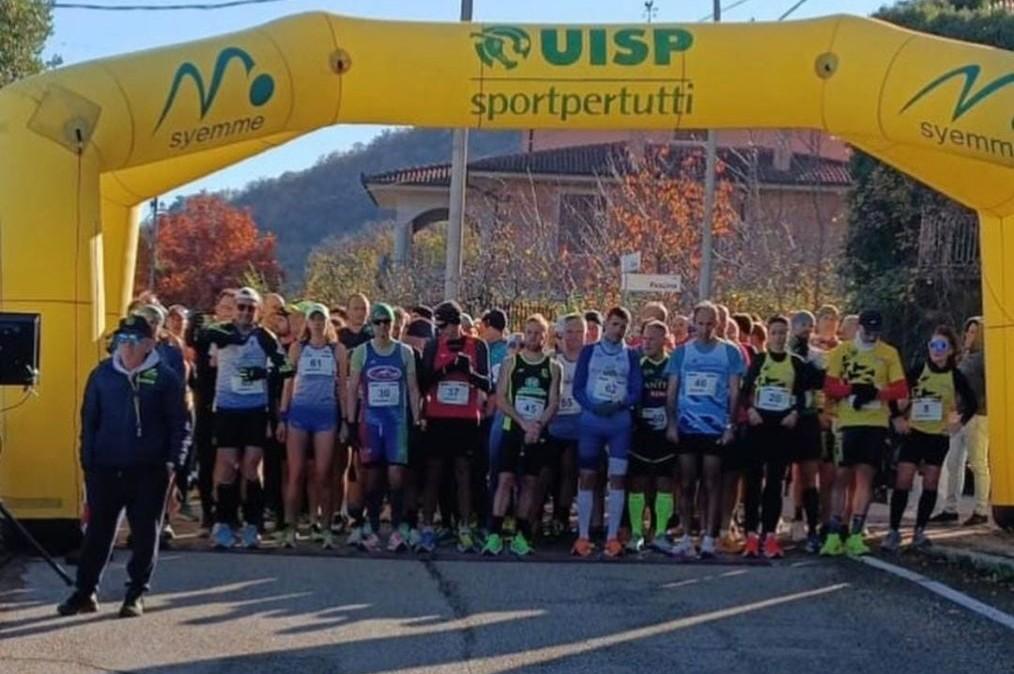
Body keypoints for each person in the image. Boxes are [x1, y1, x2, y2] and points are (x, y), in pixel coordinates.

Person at [58, 316, 187, 618]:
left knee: (144, 534)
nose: (126, 347)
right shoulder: (102, 375)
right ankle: (85, 592)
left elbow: (180, 425)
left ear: (148, 344)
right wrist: (87, 462)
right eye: (121, 341)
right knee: (97, 534)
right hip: (106, 468)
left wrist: (174, 464)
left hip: (149, 470)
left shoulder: (165, 378)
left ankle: (135, 594)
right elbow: (89, 422)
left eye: (132, 341)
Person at [203, 287, 291, 549]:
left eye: (250, 308)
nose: (244, 312)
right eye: (241, 307)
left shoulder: (265, 336)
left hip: (255, 409)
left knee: (252, 465)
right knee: (228, 465)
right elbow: (203, 350)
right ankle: (224, 522)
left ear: (258, 311)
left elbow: (287, 367)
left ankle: (253, 523)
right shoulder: (221, 332)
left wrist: (262, 373)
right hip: (228, 409)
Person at [821, 309, 907, 557]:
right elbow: (830, 386)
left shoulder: (888, 354)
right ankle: (834, 533)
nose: (871, 335)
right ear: (859, 327)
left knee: (865, 478)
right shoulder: (842, 351)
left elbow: (900, 389)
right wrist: (852, 390)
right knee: (841, 476)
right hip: (848, 421)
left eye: (876, 331)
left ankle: (856, 533)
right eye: (867, 330)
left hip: (876, 422)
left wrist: (875, 393)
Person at [884, 326, 976, 552]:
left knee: (931, 482)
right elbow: (895, 394)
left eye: (942, 346)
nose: (937, 350)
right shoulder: (918, 370)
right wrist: (897, 418)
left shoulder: (955, 376)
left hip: (937, 435)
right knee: (903, 480)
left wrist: (959, 423)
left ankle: (919, 531)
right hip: (914, 433)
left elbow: (972, 402)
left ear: (951, 350)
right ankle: (894, 530)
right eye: (933, 345)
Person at [666, 301, 745, 559]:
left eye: (710, 323)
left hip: (715, 428)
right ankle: (687, 536)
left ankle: (710, 537)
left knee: (712, 483)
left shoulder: (729, 352)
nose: (705, 328)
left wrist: (730, 426)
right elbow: (672, 391)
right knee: (687, 483)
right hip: (687, 426)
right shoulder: (682, 353)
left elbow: (735, 392)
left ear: (718, 324)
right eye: (700, 323)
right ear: (693, 323)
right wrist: (672, 424)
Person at [347, 303, 423, 552]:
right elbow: (352, 390)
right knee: (371, 477)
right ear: (372, 325)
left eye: (387, 323)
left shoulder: (404, 353)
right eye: (378, 322)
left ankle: (398, 526)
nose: (382, 327)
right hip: (371, 422)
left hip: (396, 423)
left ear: (393, 326)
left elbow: (412, 388)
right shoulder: (361, 352)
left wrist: (416, 418)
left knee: (396, 475)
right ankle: (370, 524)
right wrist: (350, 422)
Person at [483, 314, 561, 556]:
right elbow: (502, 398)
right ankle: (494, 534)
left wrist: (537, 424)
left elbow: (554, 401)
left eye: (538, 333)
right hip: (513, 428)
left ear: (545, 336)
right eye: (529, 332)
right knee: (505, 480)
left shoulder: (553, 367)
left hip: (537, 431)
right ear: (523, 333)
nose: (533, 337)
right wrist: (523, 422)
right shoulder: (511, 363)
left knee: (530, 482)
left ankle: (522, 534)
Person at [419, 300, 492, 553]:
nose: (444, 332)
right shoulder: (432, 345)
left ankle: (464, 526)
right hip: (439, 416)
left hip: (466, 418)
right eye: (440, 327)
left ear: (458, 323)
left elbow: (487, 384)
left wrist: (468, 373)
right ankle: (428, 526)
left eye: (447, 326)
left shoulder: (477, 345)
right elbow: (423, 381)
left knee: (464, 473)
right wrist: (448, 368)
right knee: (434, 472)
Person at [571, 307, 642, 558]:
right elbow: (577, 388)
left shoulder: (631, 356)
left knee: (618, 478)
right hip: (592, 422)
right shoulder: (589, 351)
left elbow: (636, 390)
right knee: (587, 476)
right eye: (614, 324)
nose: (618, 330)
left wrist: (621, 404)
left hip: (618, 424)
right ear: (606, 325)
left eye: (623, 326)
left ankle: (612, 537)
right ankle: (583, 536)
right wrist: (592, 406)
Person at [277, 303, 347, 550]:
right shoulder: (298, 348)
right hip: (299, 415)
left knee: (324, 475)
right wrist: (282, 417)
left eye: (322, 319)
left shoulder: (337, 350)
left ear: (327, 322)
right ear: (307, 322)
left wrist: (346, 420)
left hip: (326, 417)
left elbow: (342, 388)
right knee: (295, 474)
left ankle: (325, 528)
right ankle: (290, 528)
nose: (317, 324)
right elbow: (287, 383)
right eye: (313, 319)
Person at [740, 316, 810, 559]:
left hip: (782, 429)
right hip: (758, 427)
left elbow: (802, 397)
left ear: (788, 335)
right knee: (752, 482)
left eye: (783, 333)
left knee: (775, 483)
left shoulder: (797, 363)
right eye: (775, 333)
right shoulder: (759, 360)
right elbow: (745, 391)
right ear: (768, 336)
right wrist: (750, 410)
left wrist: (794, 413)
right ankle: (750, 534)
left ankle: (769, 535)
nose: (779, 337)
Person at [933, 317, 989, 526]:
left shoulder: (985, 358)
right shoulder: (964, 358)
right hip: (959, 415)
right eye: (968, 331)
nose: (969, 336)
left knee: (978, 463)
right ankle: (950, 508)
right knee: (953, 461)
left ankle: (981, 509)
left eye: (975, 332)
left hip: (979, 415)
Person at [627, 320, 677, 553]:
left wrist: (671, 422)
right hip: (641, 431)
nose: (646, 343)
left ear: (664, 341)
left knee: (664, 482)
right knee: (638, 482)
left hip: (666, 431)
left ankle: (659, 532)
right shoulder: (637, 364)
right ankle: (636, 532)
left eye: (652, 339)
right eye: (644, 338)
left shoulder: (672, 365)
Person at [788, 311, 826, 553]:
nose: (805, 330)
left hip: (809, 418)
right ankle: (793, 520)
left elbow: (818, 382)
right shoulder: (783, 354)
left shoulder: (818, 356)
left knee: (809, 474)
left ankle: (812, 528)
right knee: (781, 472)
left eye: (809, 326)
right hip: (783, 418)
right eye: (801, 325)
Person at [546, 314, 585, 538]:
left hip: (578, 424)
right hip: (554, 421)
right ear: (560, 334)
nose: (574, 336)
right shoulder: (552, 360)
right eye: (569, 331)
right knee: (547, 471)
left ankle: (562, 516)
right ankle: (540, 517)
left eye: (579, 332)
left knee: (570, 467)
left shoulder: (588, 360)